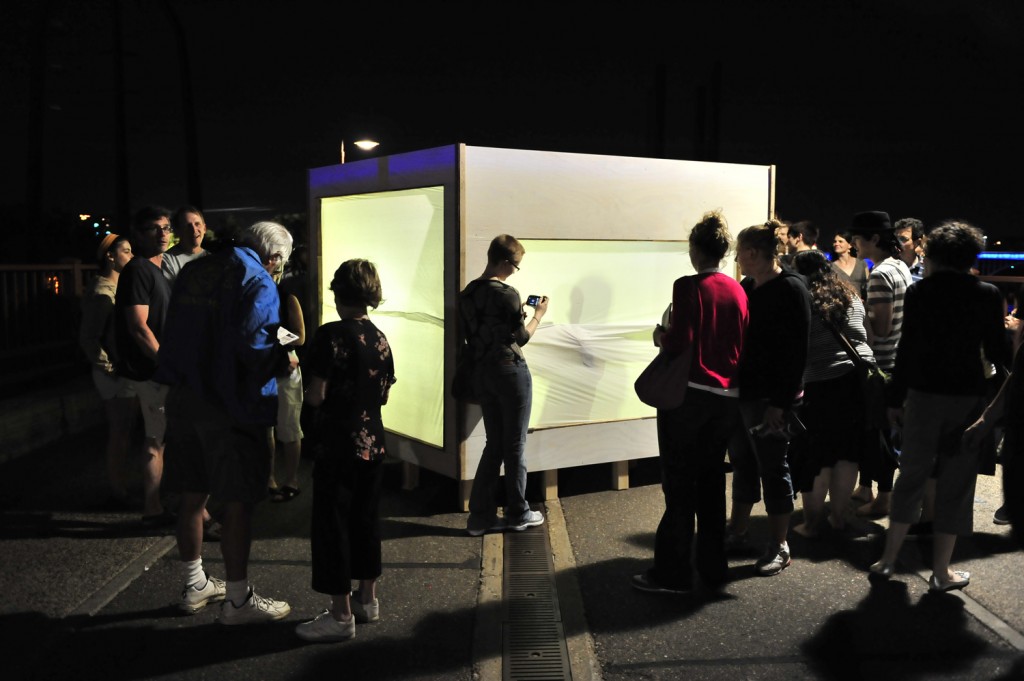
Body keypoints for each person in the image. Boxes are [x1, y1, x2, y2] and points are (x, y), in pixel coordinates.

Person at [156, 221, 295, 622]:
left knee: (191, 492)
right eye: (279, 265)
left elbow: (174, 330)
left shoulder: (196, 269)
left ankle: (195, 582)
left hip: (184, 397)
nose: (277, 271)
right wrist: (283, 357)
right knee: (237, 500)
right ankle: (237, 600)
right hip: (231, 405)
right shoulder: (256, 278)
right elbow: (254, 348)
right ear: (273, 257)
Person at [869, 220, 1006, 591]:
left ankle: (886, 560)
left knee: (911, 475)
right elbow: (998, 354)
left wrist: (895, 399)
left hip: (924, 397)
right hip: (968, 400)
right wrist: (997, 401)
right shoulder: (988, 294)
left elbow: (907, 350)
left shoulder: (920, 293)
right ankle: (941, 573)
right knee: (956, 486)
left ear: (936, 254)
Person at [631, 211, 748, 594]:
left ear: (695, 250)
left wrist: (660, 335)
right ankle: (714, 569)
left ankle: (672, 573)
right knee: (712, 483)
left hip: (689, 398)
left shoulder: (687, 287)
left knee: (679, 486)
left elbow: (679, 341)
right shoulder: (738, 290)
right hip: (727, 399)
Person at [294, 259, 396, 643]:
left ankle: (340, 615)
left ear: (338, 292)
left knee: (332, 524)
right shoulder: (380, 337)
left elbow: (317, 395)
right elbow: (383, 393)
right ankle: (367, 599)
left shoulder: (330, 336)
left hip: (337, 442)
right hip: (374, 440)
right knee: (366, 518)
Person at [725, 219, 811, 576]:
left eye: (740, 253)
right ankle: (738, 531)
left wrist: (782, 402)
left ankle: (780, 545)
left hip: (774, 398)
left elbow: (798, 352)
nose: (737, 259)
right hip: (746, 393)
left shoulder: (792, 288)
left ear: (755, 253)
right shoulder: (748, 285)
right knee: (743, 462)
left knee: (774, 468)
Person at [459, 234, 549, 537]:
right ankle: (518, 512)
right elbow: (520, 338)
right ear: (504, 262)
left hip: (482, 372)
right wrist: (537, 316)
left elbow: (479, 330)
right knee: (514, 446)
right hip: (511, 371)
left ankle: (480, 517)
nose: (515, 271)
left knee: (493, 445)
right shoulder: (508, 293)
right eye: (516, 265)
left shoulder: (468, 293)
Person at [790, 250, 875, 537]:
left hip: (822, 383)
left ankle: (812, 523)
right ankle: (838, 517)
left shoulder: (805, 300)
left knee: (817, 454)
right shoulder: (851, 296)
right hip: (856, 382)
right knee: (846, 453)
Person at [847, 211, 912, 517]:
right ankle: (865, 487)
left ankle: (884, 496)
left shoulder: (880, 275)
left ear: (874, 239)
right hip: (898, 359)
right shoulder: (901, 267)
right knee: (880, 429)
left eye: (857, 238)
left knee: (879, 431)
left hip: (882, 362)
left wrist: (857, 308)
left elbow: (881, 327)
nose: (852, 244)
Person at [114, 206, 174, 526]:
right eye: (154, 228)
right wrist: (165, 362)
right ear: (138, 234)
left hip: (154, 369)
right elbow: (138, 327)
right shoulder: (138, 270)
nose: (163, 233)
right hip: (149, 370)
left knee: (158, 439)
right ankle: (153, 508)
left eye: (166, 227)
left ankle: (155, 503)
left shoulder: (157, 269)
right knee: (154, 441)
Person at [79, 233, 138, 506]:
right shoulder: (102, 292)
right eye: (126, 251)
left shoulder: (118, 287)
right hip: (113, 372)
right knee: (120, 431)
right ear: (110, 256)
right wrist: (109, 366)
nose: (131, 256)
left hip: (121, 368)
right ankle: (118, 489)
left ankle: (122, 484)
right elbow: (89, 337)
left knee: (125, 430)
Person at [267, 261, 305, 502]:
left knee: (289, 426)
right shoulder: (248, 297)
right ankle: (268, 478)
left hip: (285, 367)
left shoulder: (287, 297)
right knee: (265, 428)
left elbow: (300, 337)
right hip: (261, 367)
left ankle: (291, 479)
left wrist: (270, 331)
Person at [162, 205, 209, 282]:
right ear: (177, 232)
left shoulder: (211, 258)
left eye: (197, 224)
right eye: (187, 226)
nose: (194, 230)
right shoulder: (167, 261)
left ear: (204, 228)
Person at [830, 231, 870, 300]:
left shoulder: (862, 263)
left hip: (861, 307)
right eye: (835, 241)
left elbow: (869, 286)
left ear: (850, 245)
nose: (836, 244)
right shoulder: (830, 267)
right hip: (842, 308)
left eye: (840, 241)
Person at [894, 217, 926, 283]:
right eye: (895, 239)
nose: (896, 243)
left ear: (917, 243)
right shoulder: (887, 266)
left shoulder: (926, 268)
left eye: (903, 239)